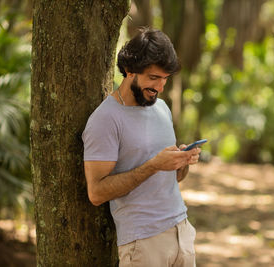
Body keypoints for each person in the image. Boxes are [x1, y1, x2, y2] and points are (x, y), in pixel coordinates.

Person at [82, 28, 201, 267]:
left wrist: (182, 162)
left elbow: (172, 178)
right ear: (129, 70)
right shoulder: (106, 118)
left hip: (181, 231)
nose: (159, 87)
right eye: (153, 78)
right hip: (143, 242)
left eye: (165, 79)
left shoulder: (162, 109)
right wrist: (154, 165)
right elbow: (96, 193)